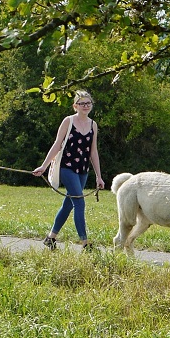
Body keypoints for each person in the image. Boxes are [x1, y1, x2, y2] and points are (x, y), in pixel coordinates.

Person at [33, 90, 105, 251]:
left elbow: (93, 151)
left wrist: (99, 176)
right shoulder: (68, 121)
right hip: (66, 167)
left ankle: (50, 238)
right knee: (79, 202)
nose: (85, 106)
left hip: (83, 170)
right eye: (82, 103)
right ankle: (85, 243)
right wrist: (44, 166)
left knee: (68, 205)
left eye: (88, 103)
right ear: (75, 106)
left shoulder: (93, 124)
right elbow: (57, 144)